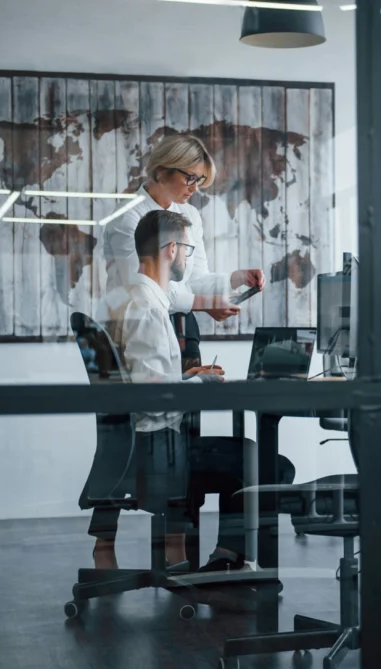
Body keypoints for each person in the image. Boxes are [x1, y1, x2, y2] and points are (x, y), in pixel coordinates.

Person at [86, 209, 293, 573]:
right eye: (188, 250)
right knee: (268, 464)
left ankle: (226, 558)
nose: (188, 258)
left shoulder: (135, 300)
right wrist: (202, 382)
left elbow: (145, 382)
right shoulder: (148, 310)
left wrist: (188, 377)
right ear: (170, 249)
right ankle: (229, 559)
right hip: (159, 454)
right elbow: (152, 397)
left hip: (142, 448)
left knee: (247, 456)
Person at [103, 133, 265, 322]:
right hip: (135, 326)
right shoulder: (127, 217)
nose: (195, 188)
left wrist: (238, 278)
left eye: (199, 180)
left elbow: (196, 279)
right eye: (190, 178)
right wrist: (205, 303)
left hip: (180, 323)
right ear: (161, 172)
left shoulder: (190, 215)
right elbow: (142, 287)